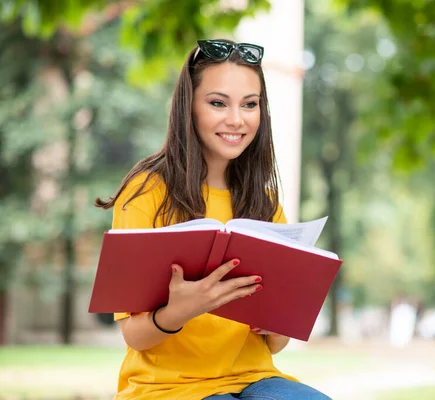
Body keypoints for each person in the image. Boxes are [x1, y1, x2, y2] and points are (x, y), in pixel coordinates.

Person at [95, 39, 331, 400]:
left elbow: (275, 344)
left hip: (256, 379)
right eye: (218, 103)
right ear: (189, 107)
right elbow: (133, 335)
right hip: (168, 389)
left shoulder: (265, 203)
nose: (236, 119)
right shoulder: (145, 192)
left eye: (250, 105)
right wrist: (180, 310)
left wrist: (278, 319)